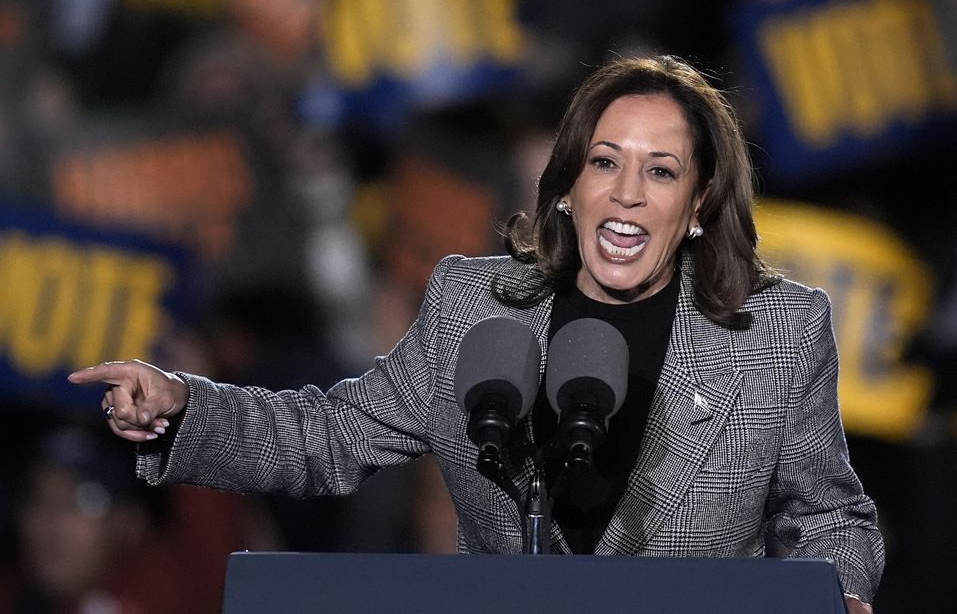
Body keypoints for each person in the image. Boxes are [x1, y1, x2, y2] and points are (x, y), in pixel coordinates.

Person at [69, 55, 884, 612]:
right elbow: (329, 434)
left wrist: (837, 592)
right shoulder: (474, 308)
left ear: (699, 205)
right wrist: (183, 408)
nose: (628, 192)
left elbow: (830, 515)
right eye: (604, 162)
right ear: (565, 186)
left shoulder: (776, 332)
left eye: (661, 171)